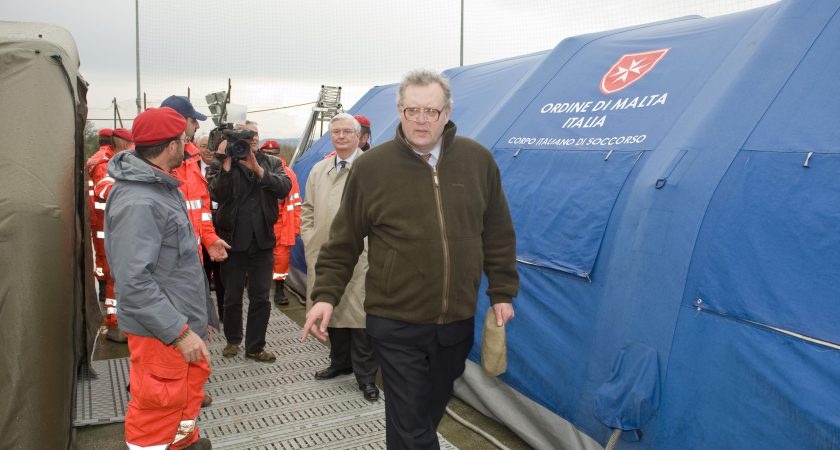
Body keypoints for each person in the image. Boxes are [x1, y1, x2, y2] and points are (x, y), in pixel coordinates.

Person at [302, 69, 519, 449]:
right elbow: (343, 241)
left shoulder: (477, 161)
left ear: (447, 112)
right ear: (399, 110)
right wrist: (325, 296)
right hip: (395, 320)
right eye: (412, 110)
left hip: (456, 320)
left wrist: (501, 290)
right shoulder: (373, 168)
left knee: (419, 415)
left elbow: (498, 231)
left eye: (431, 111)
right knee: (415, 427)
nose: (421, 120)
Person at [104, 107, 215, 450]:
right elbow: (134, 281)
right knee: (157, 407)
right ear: (171, 146)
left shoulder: (158, 186)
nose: (187, 144)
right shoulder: (141, 199)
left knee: (181, 396)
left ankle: (181, 442)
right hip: (162, 332)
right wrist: (179, 333)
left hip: (174, 321)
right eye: (183, 139)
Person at [301, 113, 379, 401]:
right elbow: (307, 209)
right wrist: (310, 239)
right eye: (336, 132)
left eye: (348, 131)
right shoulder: (319, 170)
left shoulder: (372, 169)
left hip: (361, 256)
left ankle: (367, 377)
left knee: (359, 319)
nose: (341, 136)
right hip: (323, 253)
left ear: (360, 137)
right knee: (330, 312)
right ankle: (339, 363)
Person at [207, 120, 292, 363]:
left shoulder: (272, 162)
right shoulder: (220, 163)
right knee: (232, 296)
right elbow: (216, 194)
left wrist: (258, 170)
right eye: (244, 136)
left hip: (263, 241)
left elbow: (284, 188)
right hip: (233, 241)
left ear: (258, 137)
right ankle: (233, 340)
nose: (250, 139)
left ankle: (255, 346)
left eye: (253, 134)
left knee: (261, 297)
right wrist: (225, 164)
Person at [86, 126, 133, 343]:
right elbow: (105, 189)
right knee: (113, 274)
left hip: (105, 224)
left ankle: (115, 319)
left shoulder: (101, 159)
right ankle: (115, 324)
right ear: (121, 143)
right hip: (108, 225)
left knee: (111, 273)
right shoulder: (104, 163)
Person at [259, 140, 301, 306]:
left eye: (274, 153)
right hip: (260, 222)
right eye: (268, 154)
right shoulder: (253, 170)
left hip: (282, 223)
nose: (271, 157)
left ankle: (280, 289)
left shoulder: (288, 173)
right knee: (258, 256)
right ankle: (257, 286)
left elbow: (296, 202)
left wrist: (295, 226)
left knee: (282, 260)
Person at [197, 133, 225, 320]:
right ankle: (205, 313)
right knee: (202, 275)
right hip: (200, 227)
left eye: (211, 146)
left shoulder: (224, 167)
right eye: (204, 146)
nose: (208, 150)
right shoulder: (189, 168)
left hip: (221, 224)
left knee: (223, 277)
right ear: (197, 148)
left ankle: (224, 313)